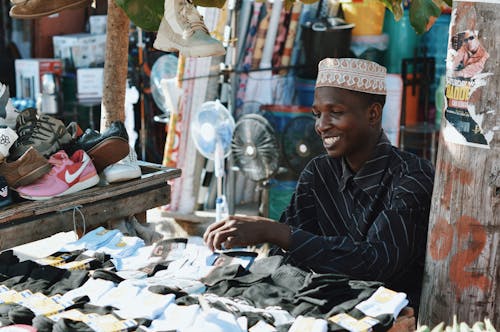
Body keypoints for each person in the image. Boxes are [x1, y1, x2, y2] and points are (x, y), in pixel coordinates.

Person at [204, 58, 435, 307]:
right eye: (317, 114)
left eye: (335, 113)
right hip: (322, 308)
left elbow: (376, 262)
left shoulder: (413, 176)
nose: (321, 126)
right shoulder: (319, 172)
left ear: (373, 113)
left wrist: (273, 231)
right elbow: (287, 255)